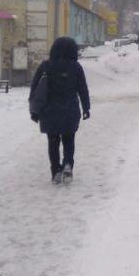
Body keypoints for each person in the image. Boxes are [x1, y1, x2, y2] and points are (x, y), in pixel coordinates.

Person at [30, 36, 91, 184]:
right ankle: (68, 164)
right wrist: (86, 108)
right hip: (70, 110)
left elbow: (35, 88)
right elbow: (83, 89)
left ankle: (56, 170)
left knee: (53, 142)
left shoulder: (45, 66)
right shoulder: (76, 67)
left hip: (49, 112)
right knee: (69, 140)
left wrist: (34, 110)